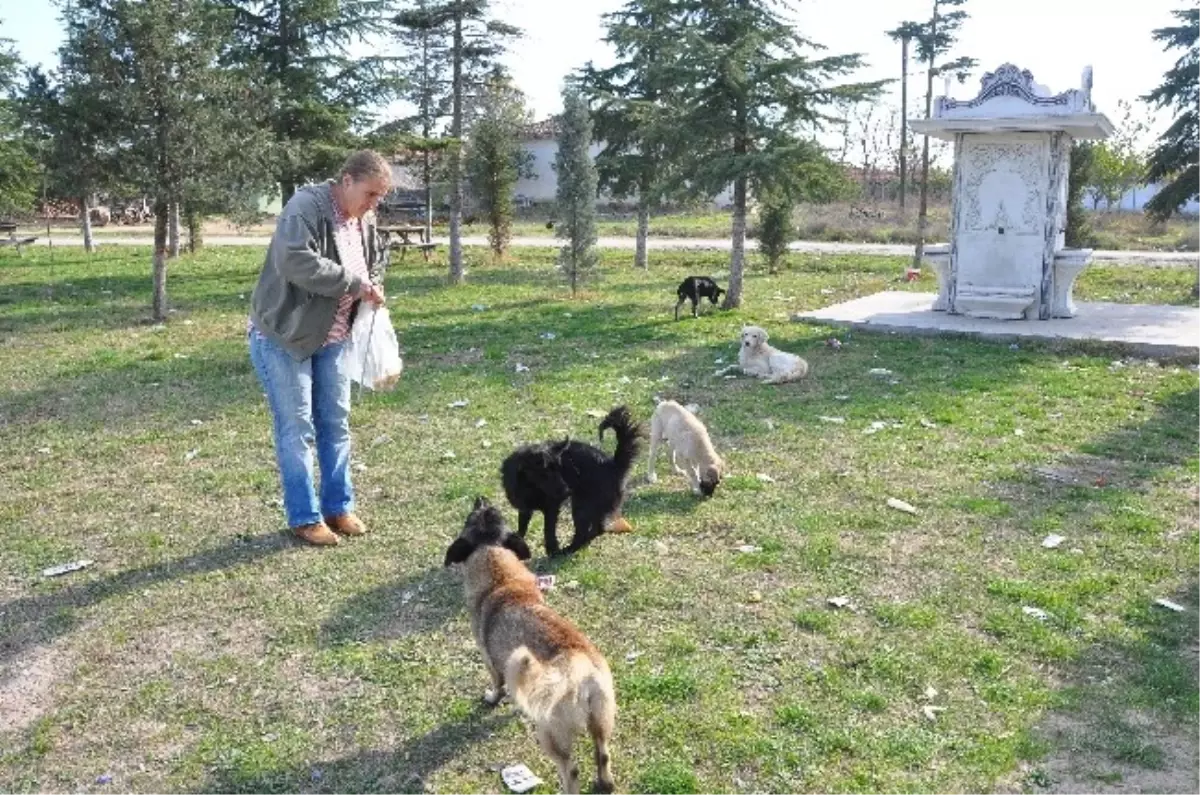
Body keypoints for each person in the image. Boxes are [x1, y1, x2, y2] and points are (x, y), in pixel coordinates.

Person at [248, 150, 392, 546]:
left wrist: (373, 284)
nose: (374, 204)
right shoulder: (306, 207)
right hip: (285, 335)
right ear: (346, 181)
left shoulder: (364, 218)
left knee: (335, 422)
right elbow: (294, 259)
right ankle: (305, 517)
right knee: (297, 428)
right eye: (370, 193)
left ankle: (338, 507)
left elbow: (372, 262)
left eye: (380, 196)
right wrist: (355, 284)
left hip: (333, 337)